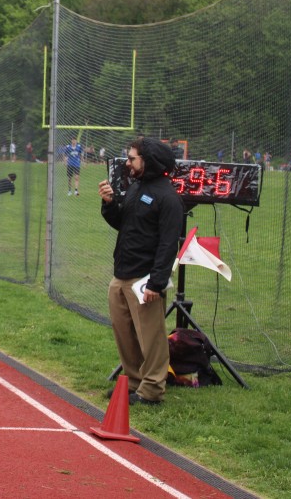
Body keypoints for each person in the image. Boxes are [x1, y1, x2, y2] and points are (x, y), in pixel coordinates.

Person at [98, 137, 183, 406]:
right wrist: (109, 203)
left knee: (151, 338)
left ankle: (152, 390)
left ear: (148, 161)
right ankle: (133, 383)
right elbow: (124, 224)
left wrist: (156, 283)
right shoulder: (136, 187)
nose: (128, 163)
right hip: (121, 274)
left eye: (132, 158)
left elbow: (168, 245)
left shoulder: (168, 197)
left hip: (144, 280)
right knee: (125, 334)